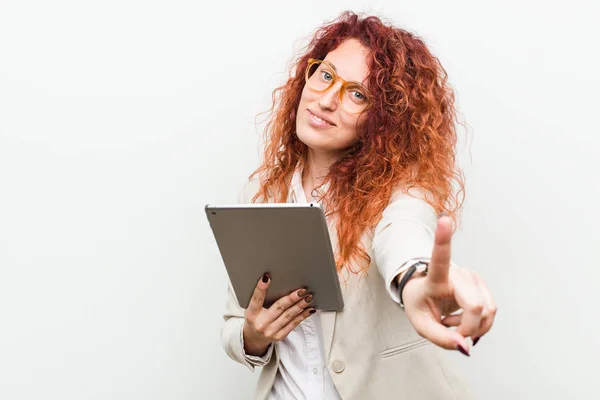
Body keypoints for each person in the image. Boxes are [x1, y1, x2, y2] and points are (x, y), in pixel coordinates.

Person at [220, 11, 497, 400]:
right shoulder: (259, 193)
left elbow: (403, 234)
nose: (327, 100)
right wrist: (253, 335)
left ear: (383, 120)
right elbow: (234, 323)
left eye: (357, 94)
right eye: (326, 75)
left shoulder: (401, 192)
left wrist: (415, 282)